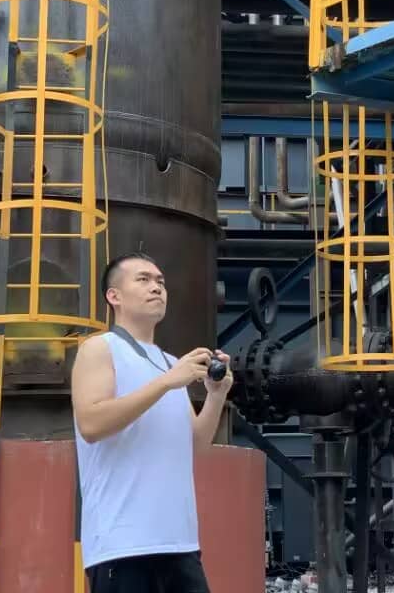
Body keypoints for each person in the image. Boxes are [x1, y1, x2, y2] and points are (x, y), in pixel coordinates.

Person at [71, 251, 232, 592]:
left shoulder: (170, 363)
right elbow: (91, 424)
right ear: (114, 296)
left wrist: (216, 395)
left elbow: (194, 447)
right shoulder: (99, 348)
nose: (156, 287)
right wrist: (166, 383)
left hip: (180, 543)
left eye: (160, 281)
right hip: (122, 546)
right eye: (143, 279)